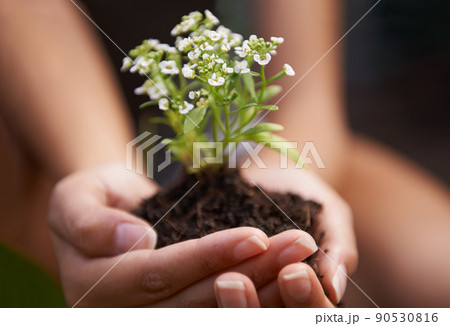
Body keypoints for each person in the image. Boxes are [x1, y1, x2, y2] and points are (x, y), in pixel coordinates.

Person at [0, 0, 448, 308]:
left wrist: (283, 164)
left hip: (235, 147)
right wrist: (103, 173)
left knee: (438, 275)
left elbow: (305, 96)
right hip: (44, 122)